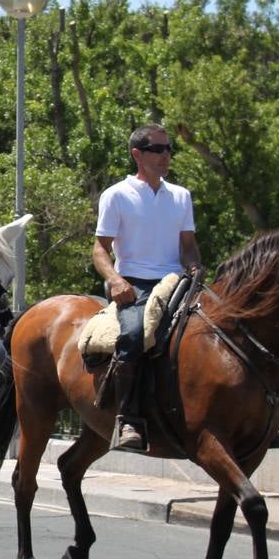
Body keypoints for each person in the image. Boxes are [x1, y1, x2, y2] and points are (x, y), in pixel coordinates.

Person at [92, 123, 201, 452]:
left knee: (222, 324)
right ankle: (128, 420)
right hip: (135, 284)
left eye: (169, 149)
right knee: (135, 334)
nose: (166, 155)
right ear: (137, 154)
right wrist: (115, 280)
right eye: (158, 149)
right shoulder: (116, 195)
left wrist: (195, 265)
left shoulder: (180, 196)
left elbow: (188, 247)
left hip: (176, 281)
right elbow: (100, 249)